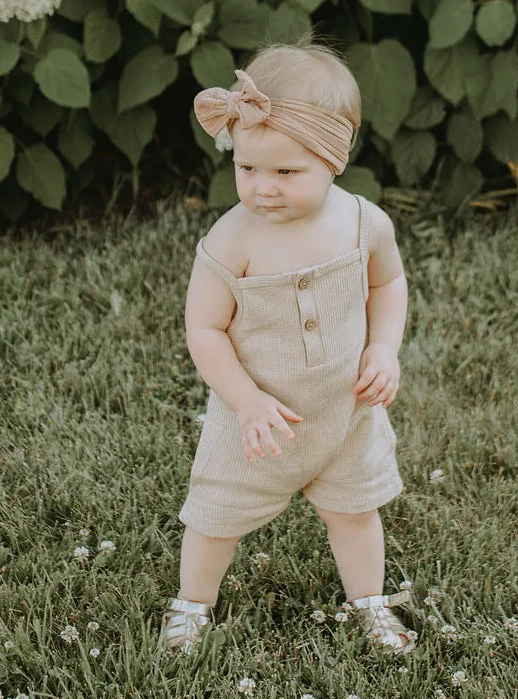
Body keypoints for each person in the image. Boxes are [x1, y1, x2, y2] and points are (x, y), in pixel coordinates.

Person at [158, 35, 416, 658]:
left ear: (334, 159)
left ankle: (370, 604)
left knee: (355, 514)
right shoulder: (231, 240)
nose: (262, 188)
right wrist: (245, 402)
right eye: (247, 168)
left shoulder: (363, 223)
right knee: (214, 518)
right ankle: (192, 606)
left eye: (286, 172)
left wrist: (384, 348)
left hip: (343, 412)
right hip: (258, 422)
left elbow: (389, 282)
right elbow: (205, 329)